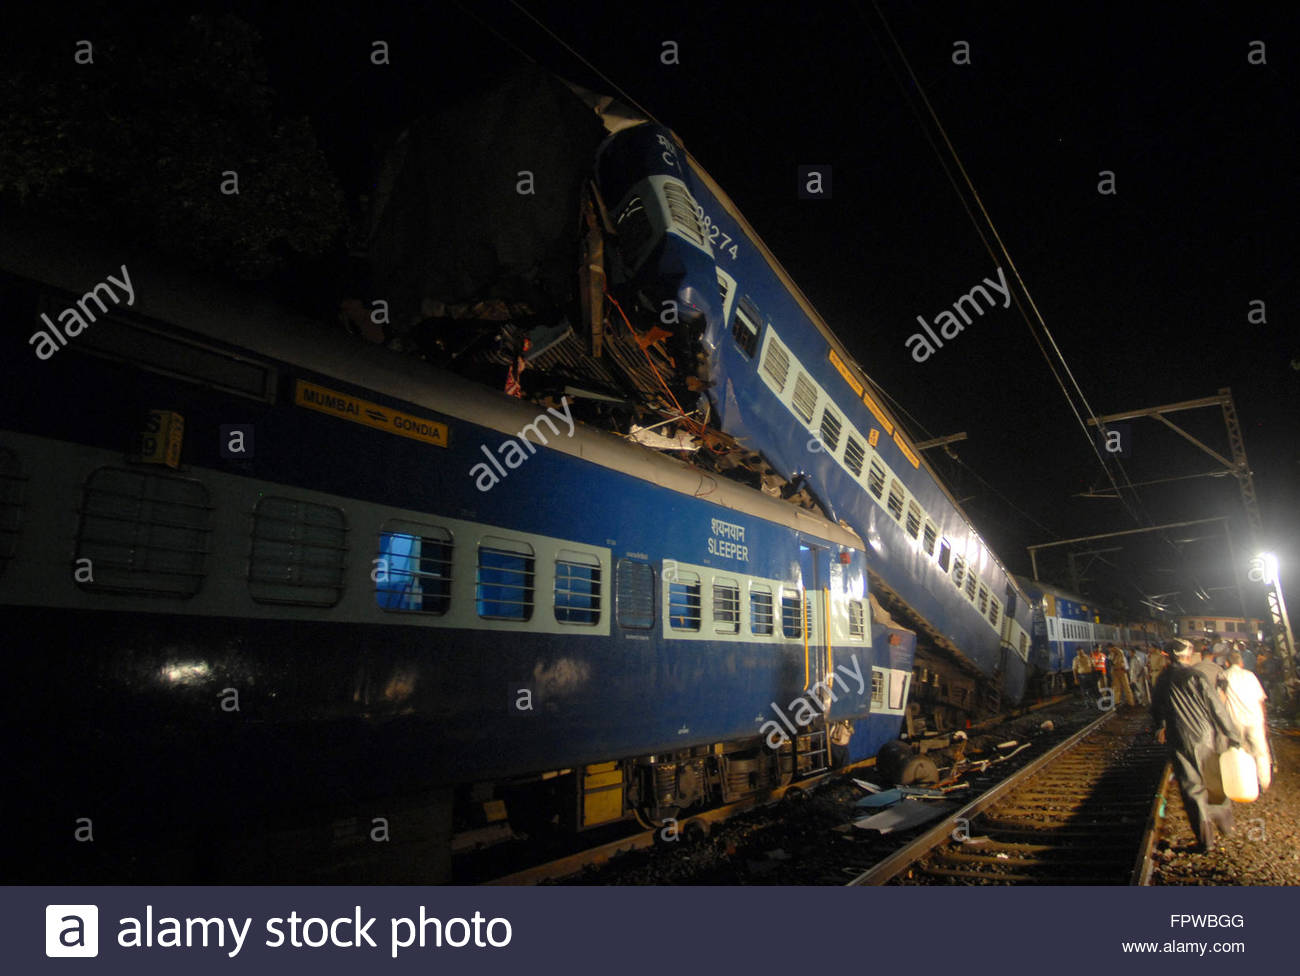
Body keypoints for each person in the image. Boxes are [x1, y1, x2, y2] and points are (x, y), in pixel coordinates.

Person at [1150, 639, 1242, 853]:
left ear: (1169, 656)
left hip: (1180, 738)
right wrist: (1233, 736)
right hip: (1205, 736)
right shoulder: (1196, 675)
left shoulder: (1163, 679)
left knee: (1193, 789)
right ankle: (1227, 827)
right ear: (1188, 655)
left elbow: (1156, 708)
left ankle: (1206, 841)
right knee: (1215, 782)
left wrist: (1160, 727)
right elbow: (1217, 708)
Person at [1218, 651, 1271, 792]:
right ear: (1241, 663)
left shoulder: (1224, 676)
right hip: (1255, 718)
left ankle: (1242, 784)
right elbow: (1261, 700)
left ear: (1227, 663)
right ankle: (1264, 783)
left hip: (1235, 720)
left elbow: (1221, 700)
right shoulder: (1250, 675)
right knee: (1260, 751)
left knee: (1238, 751)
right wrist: (1264, 721)